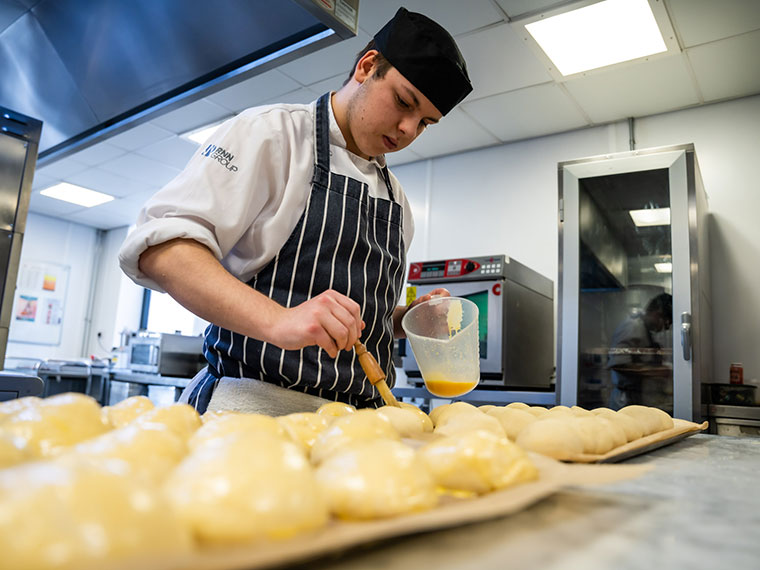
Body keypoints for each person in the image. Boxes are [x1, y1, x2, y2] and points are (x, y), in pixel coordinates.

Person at [118, 8, 473, 416]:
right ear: (367, 66)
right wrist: (278, 321)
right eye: (403, 102)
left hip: (358, 427)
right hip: (250, 415)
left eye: (425, 122)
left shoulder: (397, 200)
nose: (409, 129)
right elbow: (164, 249)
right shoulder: (270, 136)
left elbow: (348, 326)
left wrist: (400, 320)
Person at [607, 292, 673, 412]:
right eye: (665, 324)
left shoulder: (644, 330)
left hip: (637, 398)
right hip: (626, 401)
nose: (662, 329)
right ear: (657, 314)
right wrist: (656, 372)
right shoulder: (632, 327)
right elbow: (618, 365)